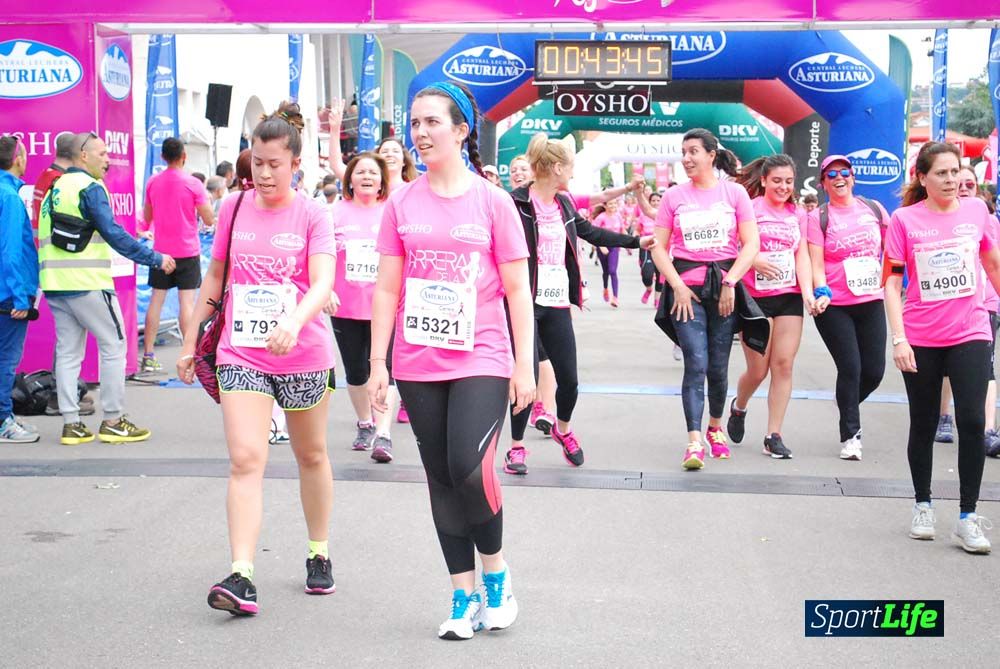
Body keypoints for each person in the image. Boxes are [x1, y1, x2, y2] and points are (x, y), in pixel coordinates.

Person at [367, 82, 534, 640]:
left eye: (433, 122)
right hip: (418, 359)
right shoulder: (402, 202)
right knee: (441, 478)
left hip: (483, 353)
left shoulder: (492, 201)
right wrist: (377, 364)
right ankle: (462, 595)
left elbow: (517, 290)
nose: (421, 133)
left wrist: (525, 365)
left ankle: (496, 574)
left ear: (462, 130)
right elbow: (387, 289)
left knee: (469, 465)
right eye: (415, 124)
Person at [176, 101, 339, 613]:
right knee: (246, 459)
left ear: (295, 164)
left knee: (310, 455)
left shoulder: (313, 212)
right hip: (241, 353)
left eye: (275, 164)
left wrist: (293, 322)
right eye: (257, 163)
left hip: (303, 353)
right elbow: (216, 277)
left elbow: (323, 281)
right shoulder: (234, 208)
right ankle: (241, 573)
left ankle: (319, 551)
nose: (264, 173)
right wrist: (189, 340)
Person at [504, 132, 652, 475]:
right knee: (523, 378)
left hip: (556, 303)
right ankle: (516, 448)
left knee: (569, 380)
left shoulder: (565, 204)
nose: (571, 174)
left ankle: (563, 429)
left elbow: (592, 233)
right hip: (523, 303)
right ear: (557, 167)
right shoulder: (514, 203)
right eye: (570, 167)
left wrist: (637, 241)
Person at [884, 141, 1000, 554]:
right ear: (923, 178)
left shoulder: (977, 212)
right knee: (925, 421)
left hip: (971, 329)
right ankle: (923, 504)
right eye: (943, 174)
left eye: (956, 173)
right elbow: (893, 283)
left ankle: (968, 516)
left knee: (972, 421)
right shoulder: (904, 220)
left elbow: (992, 265)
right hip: (921, 336)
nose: (952, 181)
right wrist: (899, 338)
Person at [39, 132, 175, 445]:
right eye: (102, 153)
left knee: (68, 353)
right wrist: (154, 258)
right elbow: (113, 233)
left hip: (55, 285)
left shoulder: (55, 188)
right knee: (114, 345)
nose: (108, 159)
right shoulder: (89, 187)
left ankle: (71, 424)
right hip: (87, 283)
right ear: (82, 156)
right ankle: (113, 420)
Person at [650, 128, 759, 470]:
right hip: (687, 293)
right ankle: (694, 440)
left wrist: (731, 281)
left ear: (712, 154)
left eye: (693, 151)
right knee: (695, 363)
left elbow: (750, 244)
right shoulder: (673, 197)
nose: (686, 158)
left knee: (718, 366)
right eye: (683, 152)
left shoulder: (735, 193)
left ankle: (715, 427)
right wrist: (677, 286)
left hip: (724, 289)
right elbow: (658, 247)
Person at [726, 154, 813, 459]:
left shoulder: (798, 213)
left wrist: (807, 292)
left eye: (789, 181)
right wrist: (754, 258)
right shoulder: (748, 208)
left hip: (788, 295)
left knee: (784, 364)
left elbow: (801, 254)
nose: (783, 187)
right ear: (763, 180)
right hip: (755, 296)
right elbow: (732, 245)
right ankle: (738, 407)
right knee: (759, 370)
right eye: (777, 180)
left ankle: (773, 435)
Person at [807, 154, 889, 461]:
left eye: (844, 172)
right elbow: (816, 261)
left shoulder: (874, 210)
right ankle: (851, 435)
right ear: (824, 183)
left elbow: (891, 251)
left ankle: (847, 401)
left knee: (875, 371)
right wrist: (821, 289)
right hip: (836, 304)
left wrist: (893, 285)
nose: (839, 178)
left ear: (853, 178)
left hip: (871, 300)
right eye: (831, 175)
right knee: (851, 368)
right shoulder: (818, 217)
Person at [330, 151, 397, 462]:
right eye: (360, 172)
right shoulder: (334, 213)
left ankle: (384, 433)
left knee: (385, 369)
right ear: (350, 180)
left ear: (382, 180)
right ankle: (365, 423)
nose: (367, 177)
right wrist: (326, 290)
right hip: (346, 306)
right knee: (356, 372)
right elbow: (322, 256)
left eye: (373, 172)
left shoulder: (392, 211)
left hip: (385, 306)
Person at [935, 166, 1000, 453]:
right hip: (946, 304)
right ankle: (944, 416)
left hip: (983, 306)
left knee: (987, 366)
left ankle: (987, 430)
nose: (962, 188)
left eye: (969, 184)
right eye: (957, 183)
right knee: (948, 368)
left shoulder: (989, 220)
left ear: (978, 189)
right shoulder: (936, 216)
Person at [141, 137, 216, 372]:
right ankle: (189, 353)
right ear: (184, 156)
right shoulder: (193, 184)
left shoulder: (153, 182)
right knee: (187, 303)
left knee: (156, 300)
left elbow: (147, 217)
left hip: (161, 252)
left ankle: (148, 355)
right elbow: (208, 218)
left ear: (163, 157)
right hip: (187, 251)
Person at [0, 136, 39, 443]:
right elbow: (12, 250)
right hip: (7, 295)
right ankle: (3, 421)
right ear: (18, 159)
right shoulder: (10, 198)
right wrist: (18, 295)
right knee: (6, 359)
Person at [31, 133, 74, 229]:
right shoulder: (61, 181)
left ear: (56, 151)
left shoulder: (44, 176)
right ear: (74, 154)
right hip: (53, 241)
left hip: (40, 240)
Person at [593, 197, 627, 307]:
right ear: (605, 205)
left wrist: (629, 243)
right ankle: (605, 288)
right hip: (603, 247)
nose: (613, 206)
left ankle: (615, 298)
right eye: (610, 204)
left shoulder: (618, 216)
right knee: (606, 271)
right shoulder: (600, 218)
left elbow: (623, 230)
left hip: (614, 247)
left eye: (614, 204)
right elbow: (593, 234)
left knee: (613, 271)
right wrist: (601, 246)